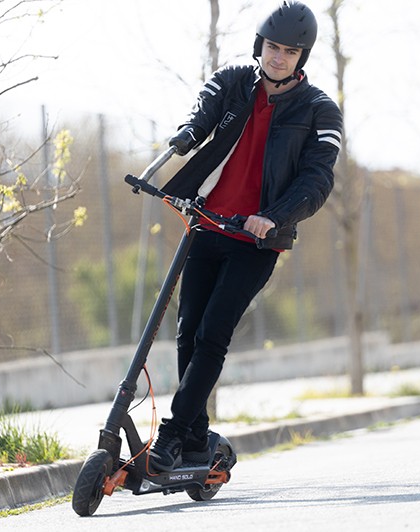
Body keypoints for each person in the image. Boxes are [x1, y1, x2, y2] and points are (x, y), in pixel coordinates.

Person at [149, 0, 343, 472]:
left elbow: (316, 180)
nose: (278, 57)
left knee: (214, 332)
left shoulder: (320, 111)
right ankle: (196, 440)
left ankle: (172, 435)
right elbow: (204, 111)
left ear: (303, 57)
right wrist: (186, 136)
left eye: (289, 51)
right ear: (260, 45)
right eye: (272, 47)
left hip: (255, 240)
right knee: (187, 332)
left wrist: (273, 217)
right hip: (208, 223)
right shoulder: (234, 79)